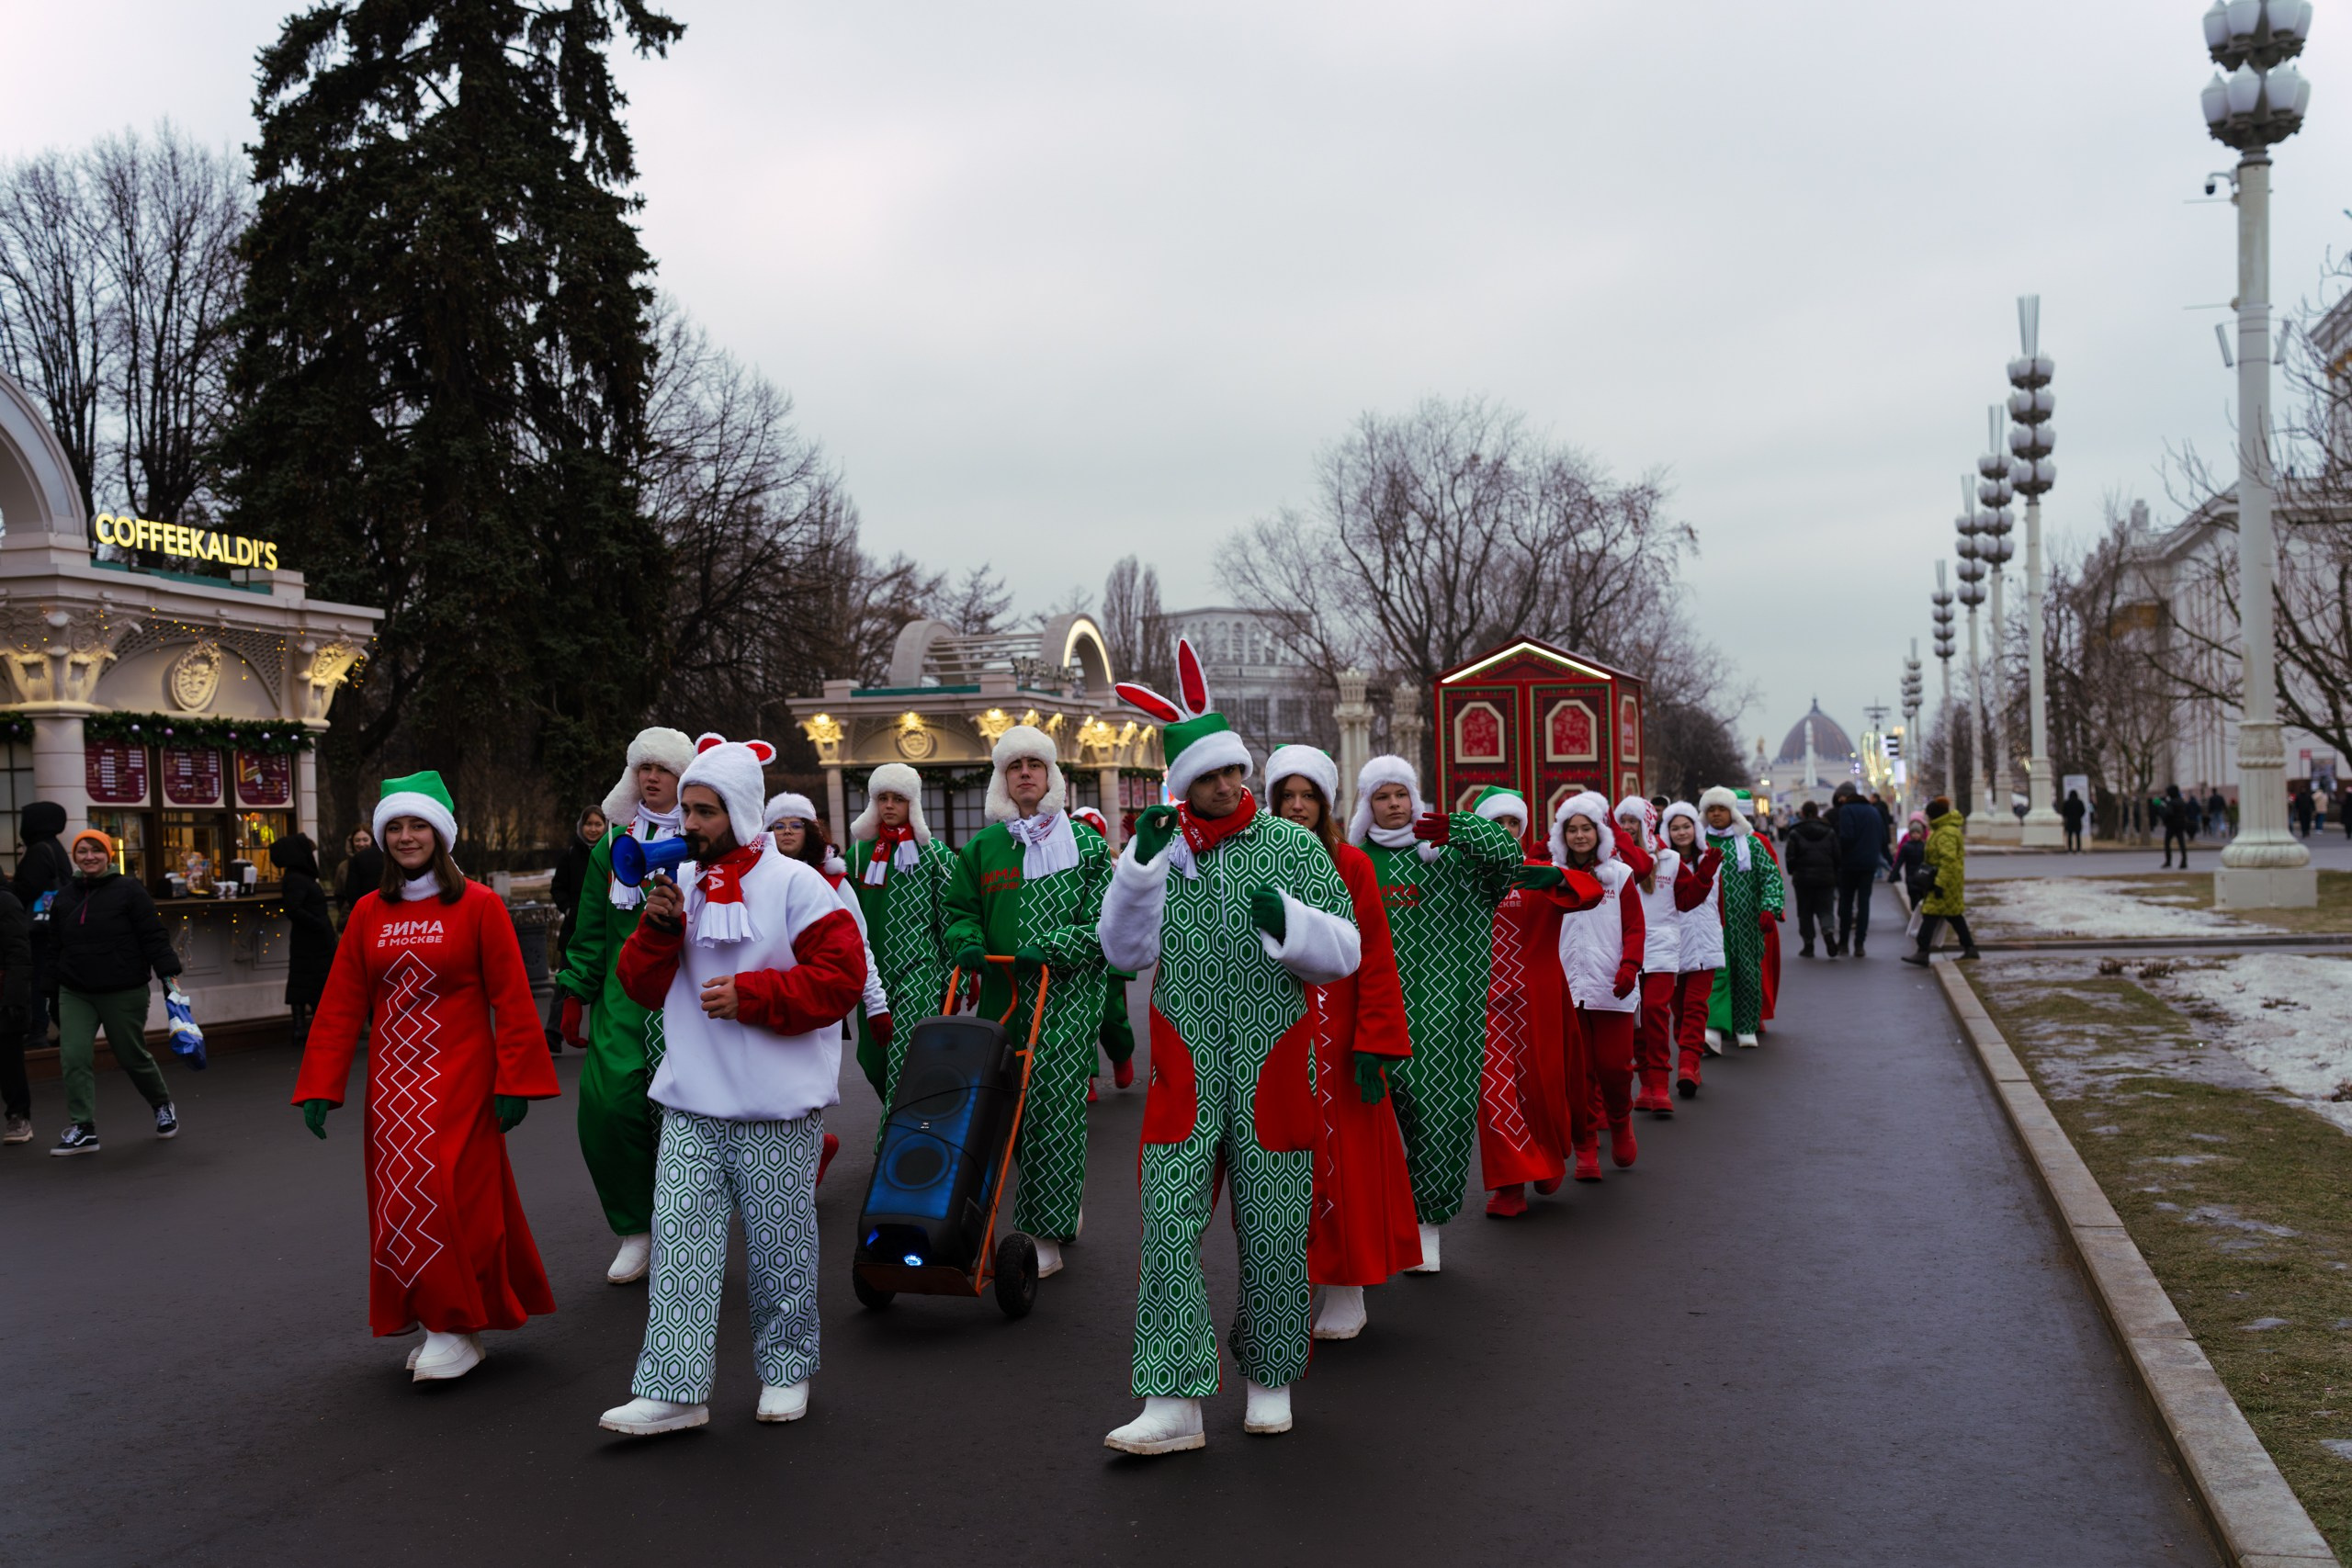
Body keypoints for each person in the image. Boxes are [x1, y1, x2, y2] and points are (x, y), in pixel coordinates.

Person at [1098, 647, 1360, 1453]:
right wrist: (1138, 868)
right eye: (1210, 775)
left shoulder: (1291, 845)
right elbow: (1122, 951)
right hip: (1185, 1062)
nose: (1225, 784)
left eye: (1234, 771)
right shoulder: (1162, 849)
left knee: (1273, 1224)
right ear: (1183, 780)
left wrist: (1288, 922)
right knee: (1168, 1226)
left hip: (1273, 1060)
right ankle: (1172, 1399)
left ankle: (1270, 1378)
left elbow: (1345, 949)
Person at [597, 735, 866, 1437]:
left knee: (782, 1249)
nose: (689, 824)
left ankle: (786, 1370)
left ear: (740, 814)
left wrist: (753, 996)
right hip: (690, 1100)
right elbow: (640, 989)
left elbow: (838, 981)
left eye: (705, 811)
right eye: (686, 809)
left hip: (776, 1108)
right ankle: (674, 1388)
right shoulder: (679, 881)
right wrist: (654, 934)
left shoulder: (799, 885)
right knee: (682, 1248)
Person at [293, 772, 560, 1381]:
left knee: (450, 1197)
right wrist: (319, 1083)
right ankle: (440, 1315)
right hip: (391, 1087)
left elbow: (513, 996)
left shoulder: (480, 905)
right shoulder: (367, 911)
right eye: (395, 826)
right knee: (399, 1204)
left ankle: (453, 1323)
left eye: (418, 825)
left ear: (440, 835)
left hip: (462, 1076)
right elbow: (341, 1003)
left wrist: (516, 1080)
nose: (406, 836)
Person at [942, 724, 1112, 1281]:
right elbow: (960, 908)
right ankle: (1058, 1206)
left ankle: (1044, 1233)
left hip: (1066, 1001)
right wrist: (965, 941)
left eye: (1034, 765)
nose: (1025, 774)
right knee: (1006, 1114)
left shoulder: (1086, 845)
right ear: (1003, 779)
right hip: (1003, 1003)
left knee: (1051, 1114)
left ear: (1051, 774)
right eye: (1015, 767)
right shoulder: (983, 847)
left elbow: (1107, 925)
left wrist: (1054, 947)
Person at [1264, 745, 1421, 1337]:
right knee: (1282, 1168)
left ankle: (1347, 1287)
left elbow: (1376, 957)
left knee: (1344, 1164)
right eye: (1288, 795)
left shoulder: (1351, 864)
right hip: (1274, 1039)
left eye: (1309, 796)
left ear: (1325, 803)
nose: (1298, 806)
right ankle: (1287, 1287)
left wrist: (1375, 1041)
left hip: (1338, 1040)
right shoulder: (1250, 862)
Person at [1346, 751, 1521, 1272]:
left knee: (1436, 1123)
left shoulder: (1451, 854)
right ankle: (1371, 1229)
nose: (1394, 804)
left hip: (1443, 1013)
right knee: (1362, 1128)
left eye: (1401, 794)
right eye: (1382, 796)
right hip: (1368, 1012)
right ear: (1367, 805)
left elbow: (1509, 862)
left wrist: (1467, 829)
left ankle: (1427, 1227)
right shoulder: (1352, 862)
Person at [553, 726, 697, 1287]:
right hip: (623, 1001)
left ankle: (686, 1227)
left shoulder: (709, 839)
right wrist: (574, 990)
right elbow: (589, 929)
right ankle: (637, 1228)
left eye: (663, 768)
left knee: (684, 1120)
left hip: (688, 998)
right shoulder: (610, 848)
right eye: (644, 768)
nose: (652, 777)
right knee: (608, 1110)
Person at [1478, 785, 1602, 1217]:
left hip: (1540, 997)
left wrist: (1559, 876)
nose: (1506, 830)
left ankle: (1548, 1157)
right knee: (1496, 1092)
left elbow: (1591, 893)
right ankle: (1510, 1186)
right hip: (1487, 1004)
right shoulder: (1464, 876)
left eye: (1514, 823)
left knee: (1543, 1087)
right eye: (1498, 823)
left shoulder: (1538, 870)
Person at [45, 829, 184, 1156]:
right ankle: (84, 1129)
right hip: (75, 991)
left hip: (123, 989)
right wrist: (50, 990)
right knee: (74, 1058)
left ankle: (162, 1105)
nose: (89, 856)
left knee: (131, 1056)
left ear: (108, 855)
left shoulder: (129, 890)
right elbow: (54, 948)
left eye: (96, 850)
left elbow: (152, 934)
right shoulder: (64, 897)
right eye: (82, 851)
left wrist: (169, 974)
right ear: (74, 857)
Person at [769, 791, 882, 1187]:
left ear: (810, 831)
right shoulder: (753, 878)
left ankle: (798, 1176)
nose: (785, 832)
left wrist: (876, 1004)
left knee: (807, 1091)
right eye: (777, 825)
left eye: (794, 824)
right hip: (767, 997)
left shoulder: (833, 880)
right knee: (773, 1090)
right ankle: (810, 1154)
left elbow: (858, 944)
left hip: (819, 999)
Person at [844, 762, 956, 1108]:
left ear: (913, 804)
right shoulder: (858, 854)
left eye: (898, 799)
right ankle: (905, 1115)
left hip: (922, 969)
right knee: (874, 1061)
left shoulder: (936, 856)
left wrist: (957, 977)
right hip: (872, 975)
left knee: (907, 1053)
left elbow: (952, 916)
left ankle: (895, 1137)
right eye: (882, 798)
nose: (889, 806)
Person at [1550, 793, 1647, 1179]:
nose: (1579, 836)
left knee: (1615, 1067)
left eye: (1585, 829)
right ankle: (1586, 1146)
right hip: (1568, 988)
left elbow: (1636, 927)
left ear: (1598, 832)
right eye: (1571, 830)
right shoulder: (1552, 876)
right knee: (1579, 1074)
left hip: (1612, 988)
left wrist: (1630, 966)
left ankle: (1621, 1122)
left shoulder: (1619, 875)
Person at [1613, 795, 1687, 1115]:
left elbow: (1689, 898)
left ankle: (1659, 1084)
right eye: (1623, 821)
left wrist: (1708, 872)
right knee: (1634, 1021)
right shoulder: (1609, 860)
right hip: (1622, 948)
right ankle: (1644, 1084)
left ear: (1646, 823)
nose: (1628, 827)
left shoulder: (1669, 859)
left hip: (1659, 947)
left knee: (1656, 1013)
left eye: (1633, 821)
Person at [6, 800, 71, 1144]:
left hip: (36, 930)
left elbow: (25, 889)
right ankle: (51, 1027)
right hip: (53, 927)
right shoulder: (56, 848)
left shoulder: (37, 851)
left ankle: (36, 1031)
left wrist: (10, 886)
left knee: (33, 978)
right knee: (49, 978)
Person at [1698, 786, 1781, 1048]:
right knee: (1715, 974)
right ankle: (1714, 1027)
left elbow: (1771, 877)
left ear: (1732, 812)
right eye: (1711, 810)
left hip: (1747, 924)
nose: (1716, 815)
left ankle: (1746, 1026)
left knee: (1748, 973)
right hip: (1710, 923)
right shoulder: (1699, 844)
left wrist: (1770, 907)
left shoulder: (1752, 843)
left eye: (1721, 809)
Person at [1070, 807, 1138, 1103]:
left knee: (1112, 1019)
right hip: (1075, 954)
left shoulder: (1115, 864)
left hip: (1109, 954)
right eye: (1078, 827)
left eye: (1089, 828)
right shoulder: (1062, 865)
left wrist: (1138, 844)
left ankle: (1122, 1055)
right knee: (1078, 1020)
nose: (1082, 833)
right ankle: (1085, 1076)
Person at [1659, 805, 1723, 1099]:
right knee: (1679, 1010)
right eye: (1675, 828)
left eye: (1686, 826)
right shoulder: (1660, 864)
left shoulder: (1713, 859)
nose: (1681, 832)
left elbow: (1719, 902)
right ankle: (1690, 1061)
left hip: (1705, 942)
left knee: (1697, 1006)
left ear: (1695, 828)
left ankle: (1687, 1063)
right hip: (1671, 944)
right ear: (1667, 832)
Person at [273, 833, 336, 1049]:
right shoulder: (297, 878)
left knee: (306, 983)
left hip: (308, 940)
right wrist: (319, 924)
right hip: (310, 941)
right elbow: (294, 909)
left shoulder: (297, 877)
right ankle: (308, 1029)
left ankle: (303, 1028)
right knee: (314, 984)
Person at [1900, 797, 1977, 963]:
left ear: (1935, 816)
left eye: (1928, 815)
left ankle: (1923, 951)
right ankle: (1969, 948)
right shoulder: (1944, 830)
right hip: (1947, 881)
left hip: (1943, 883)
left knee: (1930, 914)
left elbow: (1948, 861)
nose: (1927, 819)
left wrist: (1939, 884)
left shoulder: (1946, 832)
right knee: (1954, 915)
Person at [548, 806, 608, 978]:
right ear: (581, 826)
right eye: (589, 824)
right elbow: (557, 887)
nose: (593, 829)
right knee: (566, 986)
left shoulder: (612, 854)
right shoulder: (570, 855)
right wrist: (569, 909)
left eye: (598, 824)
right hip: (573, 932)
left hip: (604, 930)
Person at [1832, 783, 1883, 959]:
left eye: (1840, 797)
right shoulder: (1873, 811)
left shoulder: (1847, 810)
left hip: (1850, 864)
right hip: (1869, 864)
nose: (1839, 801)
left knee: (1846, 903)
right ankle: (1860, 944)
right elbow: (1882, 837)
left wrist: (1839, 855)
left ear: (1846, 797)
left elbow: (1847, 837)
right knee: (1864, 904)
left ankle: (1844, 943)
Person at [1781, 801, 1839, 958]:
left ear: (1803, 814)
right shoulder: (1829, 831)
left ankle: (1809, 945)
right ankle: (1827, 931)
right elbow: (1837, 856)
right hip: (1826, 877)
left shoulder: (1795, 832)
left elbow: (1790, 857)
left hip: (1803, 879)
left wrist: (1792, 871)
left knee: (1805, 912)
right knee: (1826, 910)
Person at [336, 825, 383, 918]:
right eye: (357, 840)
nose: (361, 844)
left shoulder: (382, 861)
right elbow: (339, 893)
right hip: (350, 916)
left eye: (365, 840)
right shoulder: (343, 866)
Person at [2160, 784, 2192, 869]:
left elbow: (2168, 813)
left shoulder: (2171, 802)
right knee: (2182, 843)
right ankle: (2184, 861)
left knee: (2167, 843)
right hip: (2180, 825)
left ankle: (2168, 861)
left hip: (2171, 826)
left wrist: (2163, 813)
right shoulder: (2181, 801)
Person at [2060, 788, 2086, 852]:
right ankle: (2078, 849)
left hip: (2070, 821)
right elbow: (2083, 811)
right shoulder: (2079, 802)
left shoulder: (2067, 802)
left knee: (2070, 835)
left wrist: (2067, 816)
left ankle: (2070, 849)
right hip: (2077, 821)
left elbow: (2064, 811)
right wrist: (2079, 816)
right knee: (2078, 835)